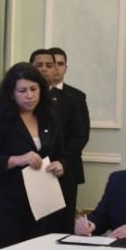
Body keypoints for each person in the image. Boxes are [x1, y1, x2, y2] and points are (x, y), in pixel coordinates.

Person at [0, 62, 66, 250]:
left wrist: (60, 165)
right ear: (11, 93)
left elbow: (61, 154)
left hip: (40, 204)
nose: (29, 95)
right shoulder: (0, 119)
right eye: (22, 91)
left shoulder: (49, 117)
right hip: (5, 205)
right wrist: (18, 159)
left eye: (34, 89)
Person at [30, 48, 86, 233]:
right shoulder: (21, 97)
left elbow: (80, 135)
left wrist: (63, 162)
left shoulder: (71, 98)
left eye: (49, 65)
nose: (44, 69)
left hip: (62, 171)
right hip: (30, 171)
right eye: (39, 65)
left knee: (60, 228)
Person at [48, 46, 90, 225]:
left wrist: (63, 161)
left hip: (67, 167)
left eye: (60, 64)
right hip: (38, 167)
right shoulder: (32, 94)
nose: (56, 68)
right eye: (52, 64)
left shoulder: (77, 96)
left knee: (63, 222)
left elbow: (81, 134)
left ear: (66, 67)